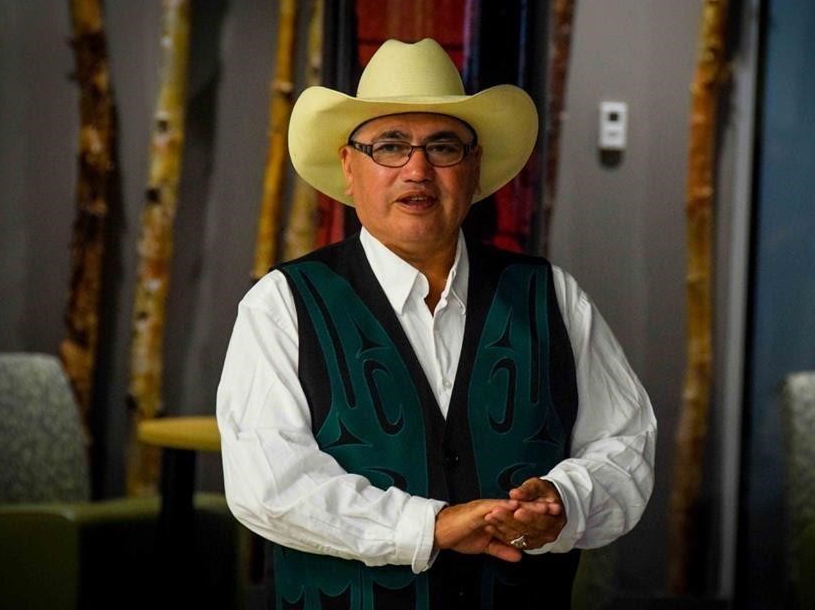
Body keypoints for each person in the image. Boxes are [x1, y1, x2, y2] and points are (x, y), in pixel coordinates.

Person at [217, 38, 656, 610]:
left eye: (443, 147)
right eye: (390, 146)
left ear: (474, 169)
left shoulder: (551, 295)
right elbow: (269, 485)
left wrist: (563, 502)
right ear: (349, 167)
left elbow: (626, 445)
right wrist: (430, 527)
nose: (418, 169)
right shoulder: (282, 304)